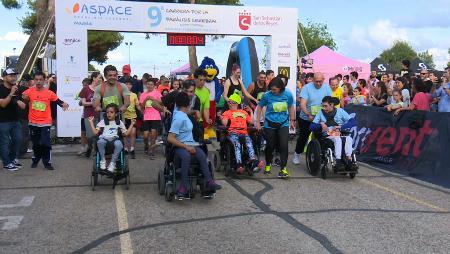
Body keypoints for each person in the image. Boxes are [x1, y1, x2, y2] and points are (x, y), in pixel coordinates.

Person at [167, 92, 221, 200]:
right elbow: (170, 138)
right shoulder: (179, 118)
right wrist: (186, 147)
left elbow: (186, 112)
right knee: (186, 157)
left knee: (201, 155)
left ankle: (209, 182)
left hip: (191, 144)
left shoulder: (182, 114)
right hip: (180, 147)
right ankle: (183, 187)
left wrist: (195, 112)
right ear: (187, 104)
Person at [22, 71, 69, 170]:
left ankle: (47, 162)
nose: (38, 82)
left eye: (40, 80)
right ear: (34, 80)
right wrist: (24, 99)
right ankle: (36, 159)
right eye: (36, 80)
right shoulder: (29, 91)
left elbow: (58, 101)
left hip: (45, 122)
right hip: (33, 122)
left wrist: (64, 104)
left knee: (45, 143)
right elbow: (23, 101)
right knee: (36, 144)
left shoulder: (49, 93)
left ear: (44, 80)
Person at [255, 77, 296, 179]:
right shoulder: (267, 95)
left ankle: (283, 169)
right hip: (270, 124)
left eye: (274, 90)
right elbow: (260, 107)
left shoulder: (288, 94)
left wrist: (292, 120)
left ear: (280, 88)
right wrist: (258, 123)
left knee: (283, 145)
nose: (272, 91)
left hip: (283, 123)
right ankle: (268, 164)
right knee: (270, 146)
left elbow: (291, 106)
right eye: (271, 89)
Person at [220, 93, 264, 174]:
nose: (229, 103)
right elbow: (225, 123)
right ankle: (239, 164)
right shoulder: (227, 112)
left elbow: (251, 121)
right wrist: (222, 118)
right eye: (229, 102)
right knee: (237, 144)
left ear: (237, 103)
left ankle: (253, 161)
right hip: (233, 133)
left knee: (249, 142)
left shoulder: (243, 112)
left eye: (231, 102)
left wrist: (251, 111)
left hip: (244, 132)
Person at [293, 72, 332, 165]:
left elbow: (330, 103)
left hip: (320, 118)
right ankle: (297, 154)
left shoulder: (327, 88)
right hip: (306, 117)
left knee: (321, 138)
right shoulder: (306, 88)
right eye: (316, 81)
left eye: (320, 81)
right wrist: (308, 114)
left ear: (323, 80)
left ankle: (320, 157)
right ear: (313, 80)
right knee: (303, 137)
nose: (318, 83)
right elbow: (302, 104)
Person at [310, 96, 357, 170]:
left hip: (340, 132)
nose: (324, 108)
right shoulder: (320, 113)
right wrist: (321, 124)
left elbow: (353, 122)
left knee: (349, 139)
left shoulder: (340, 111)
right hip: (328, 135)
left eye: (326, 106)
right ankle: (338, 162)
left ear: (332, 105)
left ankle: (349, 159)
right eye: (323, 106)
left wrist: (340, 127)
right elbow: (312, 126)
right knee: (337, 139)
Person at [87, 104, 135, 172]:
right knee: (100, 141)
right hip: (104, 140)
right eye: (107, 112)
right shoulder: (102, 122)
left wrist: (132, 124)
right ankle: (103, 160)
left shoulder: (119, 122)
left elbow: (126, 134)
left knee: (119, 143)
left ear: (116, 114)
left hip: (114, 141)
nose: (109, 114)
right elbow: (95, 133)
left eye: (111, 112)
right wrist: (91, 122)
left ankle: (112, 163)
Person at [0, 68, 25, 171]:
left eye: (15, 75)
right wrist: (11, 93)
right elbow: (3, 104)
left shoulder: (17, 89)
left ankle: (12, 159)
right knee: (5, 142)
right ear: (4, 77)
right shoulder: (0, 89)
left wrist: (21, 102)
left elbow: (22, 105)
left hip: (15, 120)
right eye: (11, 75)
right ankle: (6, 163)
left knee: (18, 140)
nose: (14, 77)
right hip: (3, 121)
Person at [140, 80, 164, 159]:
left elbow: (161, 103)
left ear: (154, 86)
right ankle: (147, 146)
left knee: (153, 134)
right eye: (148, 84)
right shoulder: (143, 94)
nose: (149, 86)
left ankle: (151, 151)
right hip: (146, 116)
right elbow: (142, 107)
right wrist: (146, 99)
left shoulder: (157, 93)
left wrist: (153, 99)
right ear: (146, 85)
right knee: (145, 136)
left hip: (156, 116)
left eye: (151, 84)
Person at [79, 77, 100, 157]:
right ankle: (84, 147)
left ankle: (93, 149)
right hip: (85, 115)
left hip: (96, 114)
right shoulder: (85, 90)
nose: (84, 87)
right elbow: (80, 103)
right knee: (85, 133)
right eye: (83, 85)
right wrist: (92, 103)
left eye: (85, 85)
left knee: (96, 134)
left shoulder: (97, 89)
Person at [123, 78, 141, 158]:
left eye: (129, 84)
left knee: (133, 133)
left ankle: (132, 149)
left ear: (131, 86)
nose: (128, 86)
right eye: (126, 84)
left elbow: (137, 105)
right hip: (124, 117)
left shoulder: (134, 95)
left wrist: (143, 111)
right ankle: (126, 148)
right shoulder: (121, 94)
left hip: (133, 117)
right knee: (125, 134)